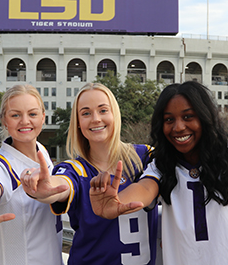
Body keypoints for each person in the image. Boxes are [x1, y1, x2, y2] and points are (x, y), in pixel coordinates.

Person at [90, 81, 228, 265]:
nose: (178, 127)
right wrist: (116, 202)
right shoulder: (162, 165)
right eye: (169, 119)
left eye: (188, 117)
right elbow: (145, 189)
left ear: (205, 117)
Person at [21, 82, 158, 265]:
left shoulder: (144, 157)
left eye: (103, 110)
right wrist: (43, 188)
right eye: (86, 113)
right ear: (78, 123)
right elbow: (61, 185)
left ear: (114, 114)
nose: (95, 119)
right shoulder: (75, 170)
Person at [0, 84, 64, 265]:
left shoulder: (41, 151)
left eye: (32, 114)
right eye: (15, 115)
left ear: (43, 117)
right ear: (4, 120)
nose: (25, 121)